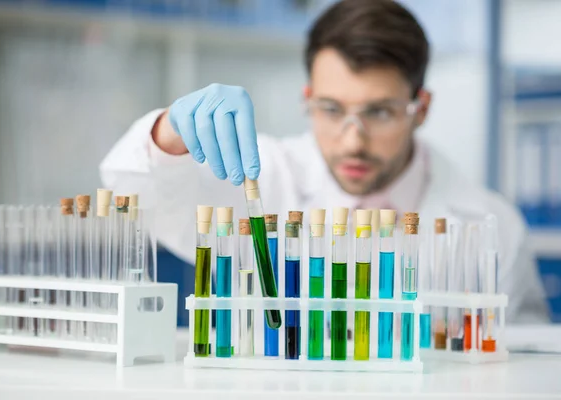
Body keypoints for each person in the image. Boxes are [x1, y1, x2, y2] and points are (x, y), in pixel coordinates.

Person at [100, 0, 549, 323]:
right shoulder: (268, 177)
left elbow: (526, 368)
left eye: (378, 112)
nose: (352, 140)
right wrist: (169, 133)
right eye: (331, 109)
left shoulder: (495, 226)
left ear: (421, 108)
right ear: (308, 99)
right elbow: (137, 197)